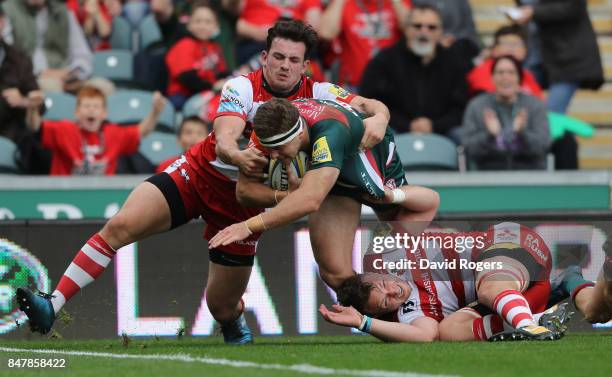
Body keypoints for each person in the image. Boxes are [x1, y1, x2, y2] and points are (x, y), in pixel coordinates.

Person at [16, 19, 389, 345]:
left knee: (221, 306)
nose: (284, 66)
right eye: (277, 57)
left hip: (242, 205)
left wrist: (380, 119)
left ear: (305, 66)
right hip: (197, 176)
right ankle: (53, 303)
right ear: (264, 58)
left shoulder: (321, 94)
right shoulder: (241, 88)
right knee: (120, 225)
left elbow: (373, 106)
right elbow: (225, 135)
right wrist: (236, 154)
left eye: (293, 60)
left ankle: (233, 322)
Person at [210, 97, 440, 291]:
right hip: (326, 174)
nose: (272, 156)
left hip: (367, 156)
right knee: (335, 273)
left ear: (299, 135)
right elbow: (244, 192)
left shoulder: (328, 132)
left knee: (402, 248)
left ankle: (442, 287)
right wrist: (285, 195)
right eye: (269, 148)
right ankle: (385, 320)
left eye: (278, 149)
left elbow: (310, 199)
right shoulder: (270, 130)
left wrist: (248, 225)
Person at [319, 222, 564, 342]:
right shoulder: (408, 312)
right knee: (447, 331)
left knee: (489, 285)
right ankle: (535, 318)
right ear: (380, 314)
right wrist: (363, 323)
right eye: (386, 303)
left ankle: (531, 328)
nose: (394, 291)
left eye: (384, 285)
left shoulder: (382, 250)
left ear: (373, 273)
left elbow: (426, 201)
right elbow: (427, 336)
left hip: (510, 241)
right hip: (522, 292)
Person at [513, 0, 604, 170]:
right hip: (535, 59)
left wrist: (534, 12)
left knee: (551, 120)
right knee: (523, 114)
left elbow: (572, 7)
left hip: (567, 59)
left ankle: (555, 175)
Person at [359, 3, 469, 142]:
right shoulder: (384, 60)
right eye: (417, 26)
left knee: (463, 135)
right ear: (406, 29)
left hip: (442, 132)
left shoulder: (454, 63)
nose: (424, 32)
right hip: (395, 129)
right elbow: (370, 102)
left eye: (431, 27)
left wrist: (434, 125)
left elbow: (461, 108)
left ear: (440, 31)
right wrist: (408, 125)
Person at [24, 86, 165, 175]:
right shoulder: (64, 129)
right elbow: (35, 128)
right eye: (86, 106)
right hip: (64, 195)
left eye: (96, 107)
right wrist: (32, 108)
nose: (91, 110)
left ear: (104, 113)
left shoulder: (113, 133)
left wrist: (156, 112)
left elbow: (141, 132)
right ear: (77, 112)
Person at [461, 56, 551, 170]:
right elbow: (468, 149)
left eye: (511, 72)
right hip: (489, 175)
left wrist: (522, 134)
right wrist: (489, 136)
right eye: (500, 72)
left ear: (519, 79)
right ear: (492, 78)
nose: (505, 77)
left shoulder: (535, 105)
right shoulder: (477, 106)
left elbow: (543, 147)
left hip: (530, 175)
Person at [2, 0, 93, 93]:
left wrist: (73, 74)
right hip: (27, 78)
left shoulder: (62, 10)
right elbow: (8, 55)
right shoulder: (8, 10)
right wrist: (40, 72)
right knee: (52, 87)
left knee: (98, 88)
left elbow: (82, 54)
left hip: (64, 73)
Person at [318, 0, 410, 91]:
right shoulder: (346, 3)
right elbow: (326, 33)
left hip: (391, 85)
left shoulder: (399, 3)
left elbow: (412, 29)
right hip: (354, 86)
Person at [165, 1, 230, 110]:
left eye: (208, 22)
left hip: (207, 92)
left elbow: (221, 74)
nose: (202, 26)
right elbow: (187, 78)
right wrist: (212, 87)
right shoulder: (185, 44)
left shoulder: (215, 47)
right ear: (189, 25)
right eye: (198, 21)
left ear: (216, 27)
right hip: (183, 96)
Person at [467, 24, 542, 98]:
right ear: (494, 49)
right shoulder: (483, 71)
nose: (511, 49)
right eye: (506, 44)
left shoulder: (527, 75)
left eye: (516, 44)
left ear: (525, 50)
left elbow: (539, 104)